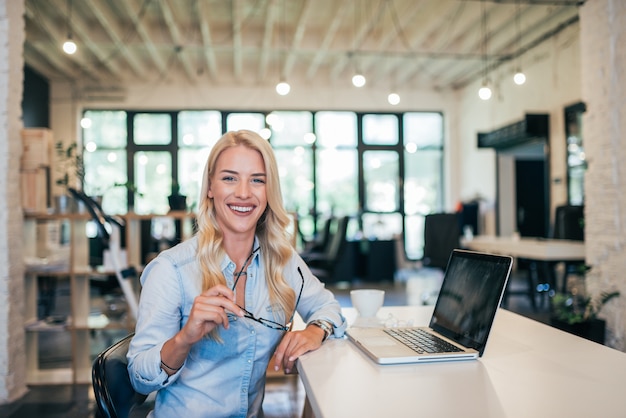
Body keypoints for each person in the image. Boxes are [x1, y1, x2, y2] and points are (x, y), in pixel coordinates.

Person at [127, 130, 346, 418]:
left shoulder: (281, 260)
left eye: (257, 180)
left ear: (269, 191)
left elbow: (329, 308)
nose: (244, 192)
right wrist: (184, 338)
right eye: (229, 178)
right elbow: (140, 379)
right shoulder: (172, 269)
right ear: (210, 187)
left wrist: (317, 330)